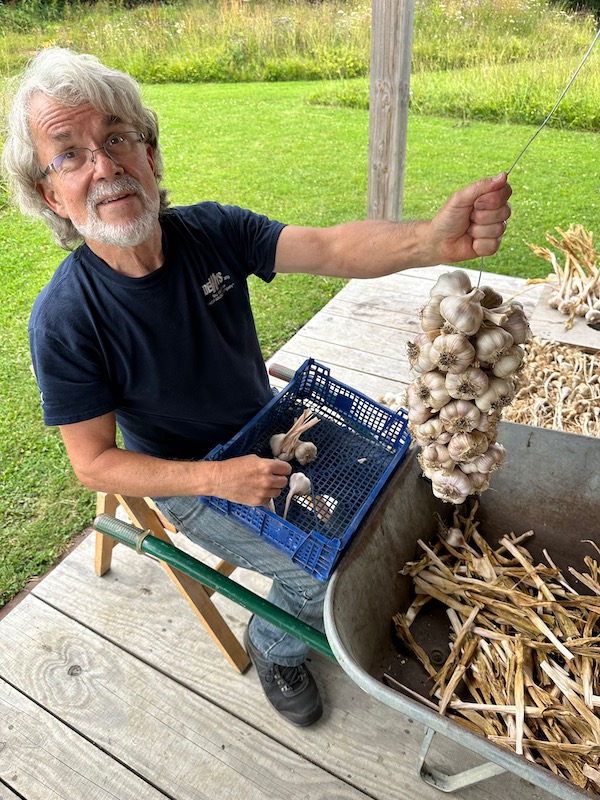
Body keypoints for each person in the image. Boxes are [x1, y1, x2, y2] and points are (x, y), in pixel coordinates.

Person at [2, 47, 512, 728]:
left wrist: (432, 242)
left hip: (279, 423)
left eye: (118, 137)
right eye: (69, 154)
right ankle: (273, 645)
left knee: (407, 478)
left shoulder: (212, 232)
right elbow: (93, 462)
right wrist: (219, 481)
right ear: (49, 192)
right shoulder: (65, 319)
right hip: (196, 479)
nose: (104, 165)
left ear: (151, 156)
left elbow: (330, 248)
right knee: (330, 578)